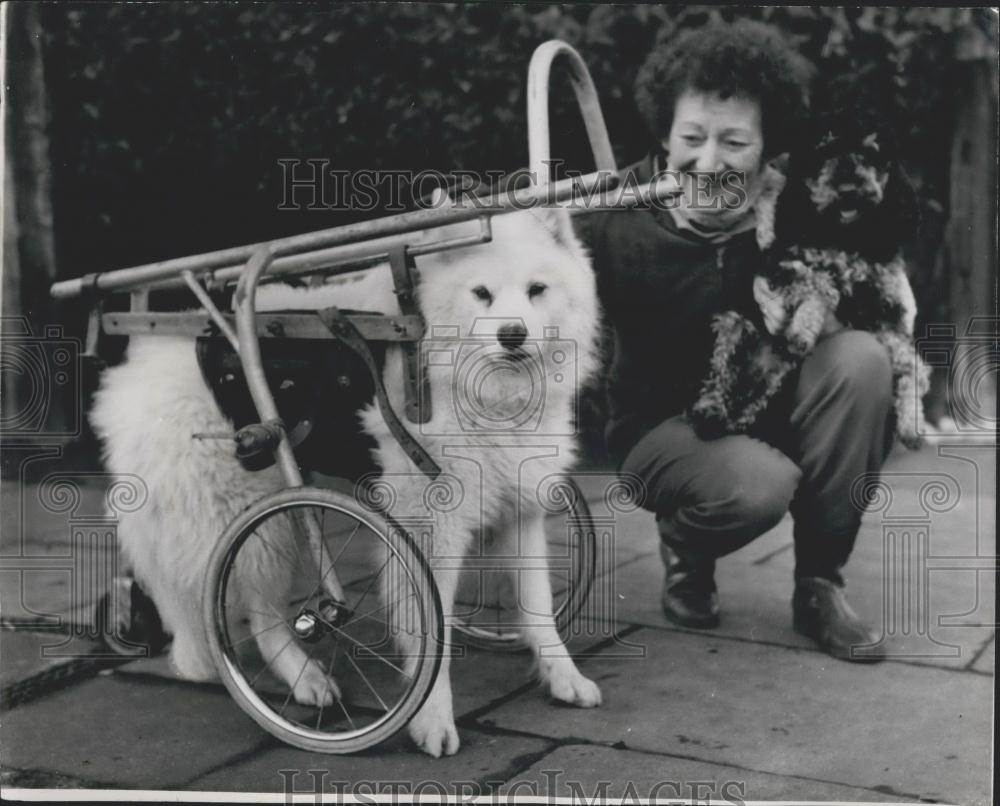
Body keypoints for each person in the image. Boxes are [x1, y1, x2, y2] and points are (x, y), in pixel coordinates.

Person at [575, 19, 895, 662]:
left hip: (769, 407)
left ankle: (819, 586)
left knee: (864, 361)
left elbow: (871, 277)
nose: (710, 161)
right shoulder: (616, 215)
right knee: (759, 487)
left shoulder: (801, 212)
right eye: (691, 138)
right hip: (662, 435)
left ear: (768, 149)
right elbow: (521, 227)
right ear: (664, 135)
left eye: (735, 141)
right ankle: (685, 545)